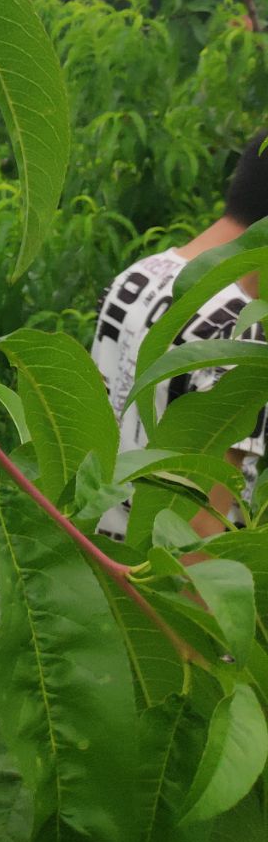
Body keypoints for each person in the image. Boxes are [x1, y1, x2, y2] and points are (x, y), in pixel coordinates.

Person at [91, 131, 268, 540]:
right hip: (159, 594)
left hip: (100, 565)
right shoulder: (240, 335)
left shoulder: (138, 276)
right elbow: (201, 537)